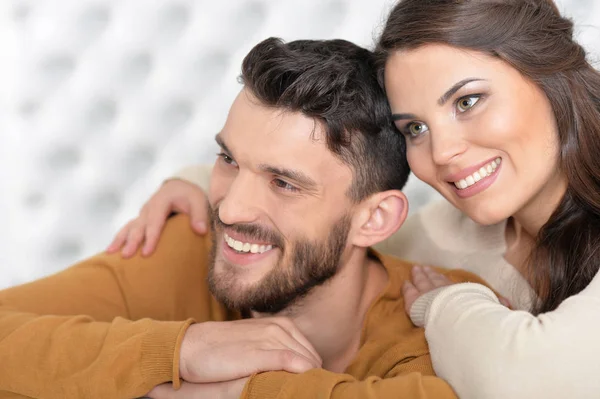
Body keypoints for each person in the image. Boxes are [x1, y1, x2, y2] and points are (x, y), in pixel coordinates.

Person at [111, 1, 600, 398]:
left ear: (549, 72)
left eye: (468, 101)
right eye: (415, 128)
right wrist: (198, 183)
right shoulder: (440, 238)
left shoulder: (442, 276)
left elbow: (527, 381)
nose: (443, 152)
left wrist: (447, 305)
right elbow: (332, 212)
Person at [0, 37, 488, 399]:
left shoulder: (440, 328)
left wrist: (220, 391)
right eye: (229, 160)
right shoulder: (188, 244)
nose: (230, 209)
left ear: (375, 219)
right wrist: (181, 351)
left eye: (284, 183)